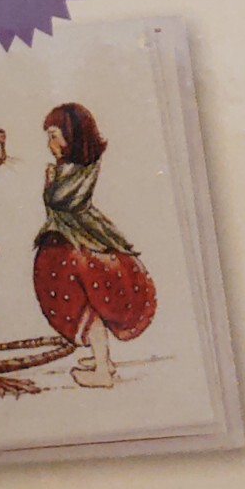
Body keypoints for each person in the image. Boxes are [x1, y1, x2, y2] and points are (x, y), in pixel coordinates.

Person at [32, 104, 156, 388]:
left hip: (76, 243)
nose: (50, 144)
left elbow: (60, 201)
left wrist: (50, 182)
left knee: (84, 306)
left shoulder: (77, 167)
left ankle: (102, 370)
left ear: (72, 136)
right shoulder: (74, 166)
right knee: (88, 303)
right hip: (74, 239)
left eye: (54, 136)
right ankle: (104, 359)